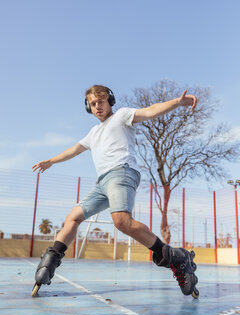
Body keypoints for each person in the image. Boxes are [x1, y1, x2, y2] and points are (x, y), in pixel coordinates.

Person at [32, 85, 199, 298]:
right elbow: (73, 150)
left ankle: (175, 257)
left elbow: (150, 110)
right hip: (102, 183)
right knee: (73, 217)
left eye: (101, 101)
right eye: (93, 104)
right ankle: (50, 262)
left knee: (121, 221)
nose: (97, 106)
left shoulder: (121, 116)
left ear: (110, 101)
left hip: (122, 171)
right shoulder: (93, 133)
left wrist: (176, 102)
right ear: (88, 107)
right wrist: (51, 161)